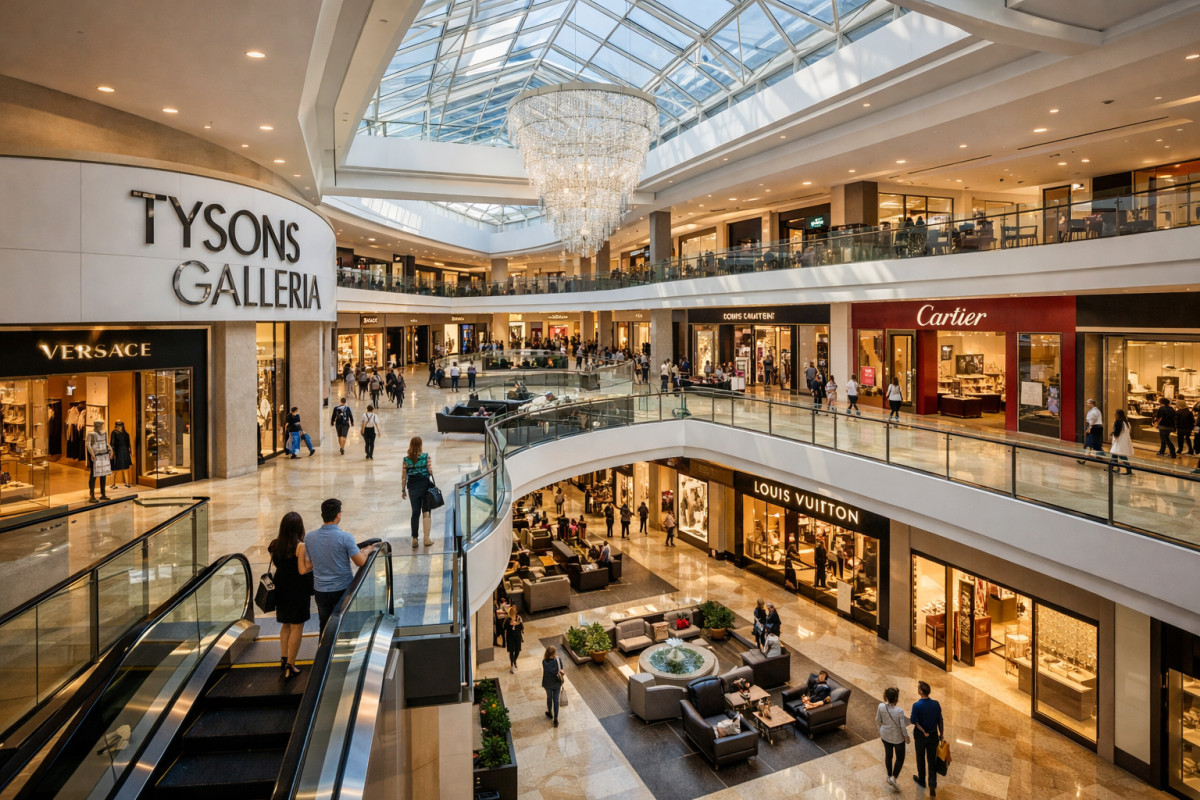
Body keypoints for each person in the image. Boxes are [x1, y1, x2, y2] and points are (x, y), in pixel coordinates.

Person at [304, 498, 376, 631]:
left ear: (322, 515)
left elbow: (308, 564)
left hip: (320, 590)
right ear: (338, 515)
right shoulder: (345, 537)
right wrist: (366, 551)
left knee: (324, 626)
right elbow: (360, 562)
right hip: (342, 589)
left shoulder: (309, 537)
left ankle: (324, 650)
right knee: (344, 625)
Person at [269, 512, 312, 678]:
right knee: (297, 627)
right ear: (299, 528)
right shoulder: (300, 546)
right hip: (297, 589)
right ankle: (291, 665)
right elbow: (302, 570)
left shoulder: (274, 544)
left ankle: (283, 658)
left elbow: (277, 563)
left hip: (281, 587)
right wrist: (312, 563)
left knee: (285, 624)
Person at [911, 680, 944, 796]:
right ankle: (932, 784)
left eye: (918, 688)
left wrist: (923, 731)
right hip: (934, 736)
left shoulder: (916, 706)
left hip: (920, 737)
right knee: (931, 760)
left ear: (920, 691)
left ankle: (921, 780)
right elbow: (940, 720)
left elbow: (913, 721)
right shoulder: (936, 704)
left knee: (920, 758)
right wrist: (941, 734)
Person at [401, 436, 435, 549]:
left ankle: (415, 539)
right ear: (421, 445)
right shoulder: (426, 456)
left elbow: (404, 476)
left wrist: (403, 490)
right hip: (425, 486)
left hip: (413, 487)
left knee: (415, 513)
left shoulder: (406, 459)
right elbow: (430, 471)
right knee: (426, 512)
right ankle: (426, 539)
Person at [876, 686, 910, 791]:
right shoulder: (899, 711)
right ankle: (893, 777)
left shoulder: (881, 706)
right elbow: (902, 726)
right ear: (896, 698)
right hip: (897, 738)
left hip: (885, 736)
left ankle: (889, 775)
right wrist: (906, 737)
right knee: (900, 758)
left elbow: (877, 720)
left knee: (888, 755)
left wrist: (880, 731)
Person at [85, 419, 110, 502]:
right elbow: (88, 444)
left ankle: (103, 493)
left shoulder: (104, 433)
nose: (100, 427)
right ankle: (92, 495)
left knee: (103, 474)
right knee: (94, 474)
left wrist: (110, 450)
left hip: (103, 454)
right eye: (98, 425)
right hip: (95, 455)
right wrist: (92, 453)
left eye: (101, 425)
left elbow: (105, 442)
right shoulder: (91, 434)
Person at [541, 645, 564, 728]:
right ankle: (556, 719)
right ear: (553, 653)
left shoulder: (544, 662)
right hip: (557, 683)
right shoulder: (558, 659)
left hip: (547, 684)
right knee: (556, 701)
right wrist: (561, 672)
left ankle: (550, 712)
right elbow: (561, 669)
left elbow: (549, 670)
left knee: (549, 698)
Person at [108, 420, 133, 490]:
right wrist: (112, 452)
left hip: (121, 452)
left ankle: (124, 483)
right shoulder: (118, 433)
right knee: (120, 468)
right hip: (121, 452)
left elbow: (128, 444)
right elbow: (112, 443)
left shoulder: (122, 434)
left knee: (122, 468)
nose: (119, 427)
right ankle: (116, 483)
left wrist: (130, 450)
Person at [1109, 408, 1133, 475]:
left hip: (1119, 441)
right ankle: (1112, 468)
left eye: (1115, 413)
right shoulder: (1127, 422)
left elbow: (1117, 433)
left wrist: (1113, 437)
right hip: (1124, 440)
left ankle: (1128, 469)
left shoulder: (1118, 422)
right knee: (1115, 454)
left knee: (1121, 454)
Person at [1079, 398, 1103, 463]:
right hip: (1095, 428)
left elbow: (1092, 421)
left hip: (1093, 428)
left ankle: (1085, 458)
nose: (1087, 404)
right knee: (1094, 443)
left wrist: (1089, 428)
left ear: (1091, 404)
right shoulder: (1095, 411)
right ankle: (1098, 456)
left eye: (1088, 403)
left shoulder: (1094, 411)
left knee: (1090, 443)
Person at [504, 605, 524, 674]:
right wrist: (511, 624)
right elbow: (505, 627)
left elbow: (521, 628)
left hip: (518, 637)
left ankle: (514, 660)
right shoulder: (508, 619)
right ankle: (512, 664)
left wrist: (518, 623)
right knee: (511, 651)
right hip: (510, 638)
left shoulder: (518, 618)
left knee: (517, 650)